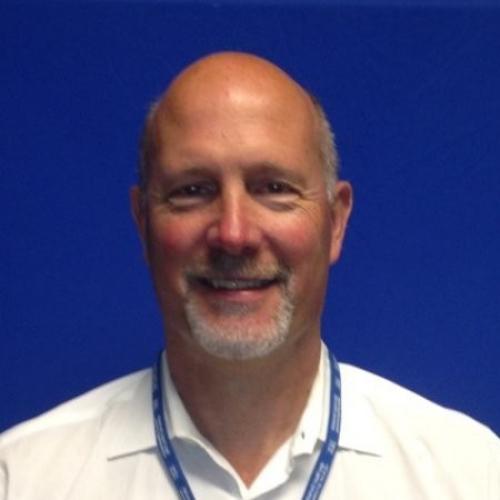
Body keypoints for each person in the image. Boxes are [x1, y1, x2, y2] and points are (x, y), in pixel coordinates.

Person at [0, 51, 498, 500]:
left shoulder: (472, 475)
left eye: (273, 188)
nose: (233, 234)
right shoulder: (22, 479)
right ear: (143, 224)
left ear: (336, 221)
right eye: (193, 190)